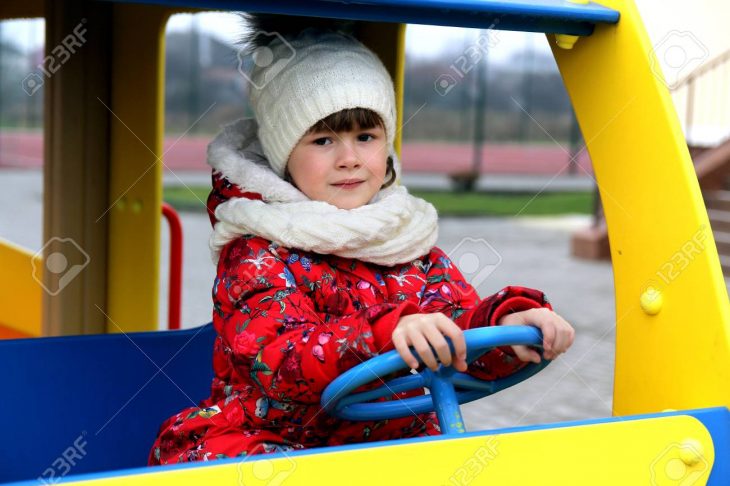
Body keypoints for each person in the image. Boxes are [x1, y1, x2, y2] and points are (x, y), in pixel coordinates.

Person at [148, 14, 574, 465]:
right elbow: (280, 357)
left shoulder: (410, 247)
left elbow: (458, 327)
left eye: (365, 136)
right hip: (278, 442)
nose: (350, 159)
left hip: (389, 445)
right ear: (283, 155)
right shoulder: (257, 254)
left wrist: (506, 330)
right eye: (323, 141)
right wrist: (387, 334)